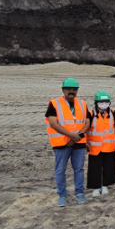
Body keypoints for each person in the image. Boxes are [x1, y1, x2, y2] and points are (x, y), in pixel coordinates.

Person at [45, 78, 90, 207]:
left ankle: (79, 193)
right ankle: (62, 194)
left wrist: (78, 136)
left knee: (79, 169)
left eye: (74, 89)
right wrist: (71, 136)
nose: (72, 92)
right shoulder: (54, 103)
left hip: (79, 142)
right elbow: (53, 123)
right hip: (61, 143)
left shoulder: (82, 104)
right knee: (60, 170)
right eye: (69, 89)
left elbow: (87, 122)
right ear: (63, 90)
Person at [86, 90, 115, 198]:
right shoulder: (91, 114)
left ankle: (105, 185)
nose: (104, 104)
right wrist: (85, 141)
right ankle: (95, 187)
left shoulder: (113, 113)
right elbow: (86, 128)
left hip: (109, 146)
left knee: (108, 166)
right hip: (94, 146)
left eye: (106, 102)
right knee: (94, 167)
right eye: (101, 102)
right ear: (96, 103)